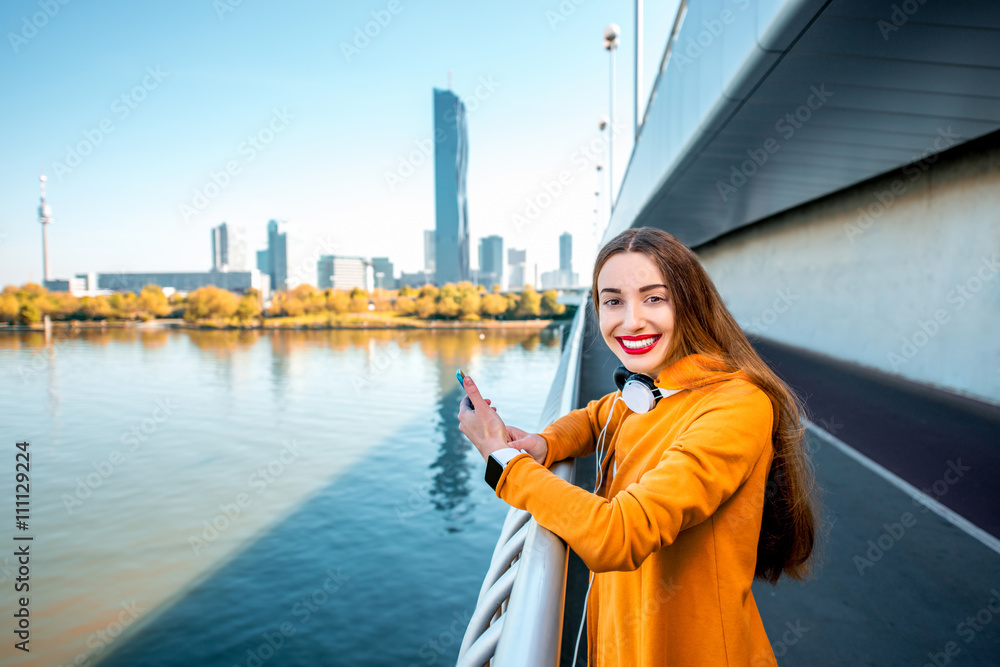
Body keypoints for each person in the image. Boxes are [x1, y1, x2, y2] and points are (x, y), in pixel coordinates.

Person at [457, 226, 819, 666]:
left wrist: (505, 462)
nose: (631, 321)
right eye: (613, 301)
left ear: (690, 303)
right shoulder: (650, 388)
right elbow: (595, 416)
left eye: (654, 298)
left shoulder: (737, 406)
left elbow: (619, 534)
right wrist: (544, 443)